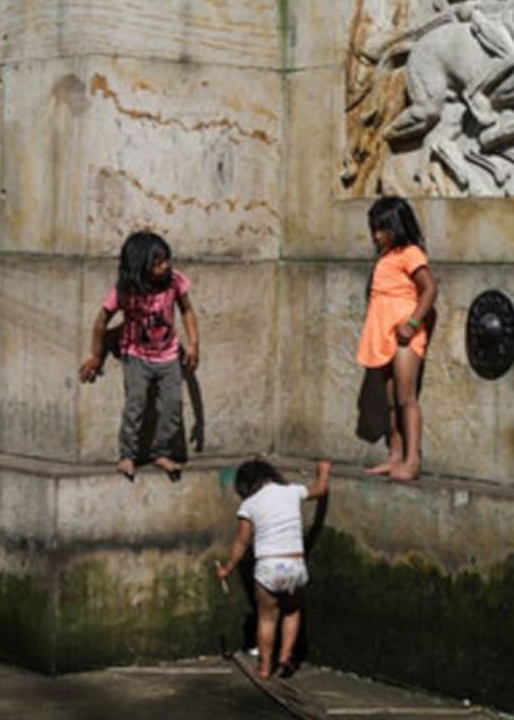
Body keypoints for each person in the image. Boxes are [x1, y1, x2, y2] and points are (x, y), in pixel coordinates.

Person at [78, 231, 199, 481]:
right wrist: (95, 355)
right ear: (139, 266)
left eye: (166, 260)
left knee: (172, 406)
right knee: (136, 404)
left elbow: (187, 310)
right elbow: (101, 321)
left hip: (168, 356)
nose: (165, 266)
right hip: (136, 356)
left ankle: (161, 452)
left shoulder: (174, 282)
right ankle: (127, 455)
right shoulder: (124, 291)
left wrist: (194, 344)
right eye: (158, 263)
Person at [216, 458, 331, 679]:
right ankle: (286, 655)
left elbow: (242, 542)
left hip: (269, 567)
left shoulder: (249, 505)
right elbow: (320, 489)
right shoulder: (291, 491)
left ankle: (265, 666)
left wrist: (228, 568)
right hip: (295, 565)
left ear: (245, 486)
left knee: (267, 618)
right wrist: (324, 471)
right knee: (292, 611)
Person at [357, 196, 437, 481]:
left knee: (406, 398)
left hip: (405, 335)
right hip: (384, 334)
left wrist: (413, 323)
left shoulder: (411, 253)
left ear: (397, 226)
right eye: (374, 229)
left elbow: (429, 289)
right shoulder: (386, 257)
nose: (377, 236)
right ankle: (395, 456)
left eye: (382, 229)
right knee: (391, 400)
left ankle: (413, 460)